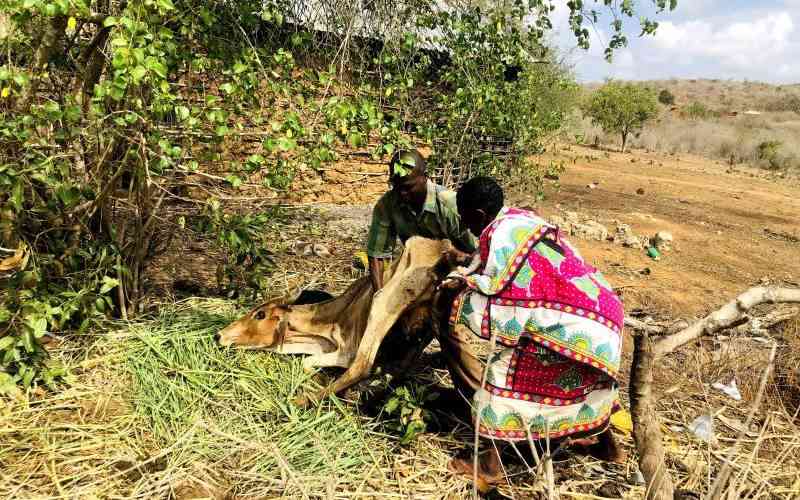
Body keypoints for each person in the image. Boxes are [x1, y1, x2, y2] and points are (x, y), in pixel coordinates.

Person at [438, 176, 625, 488]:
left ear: (481, 215)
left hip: (576, 323)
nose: (462, 220)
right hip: (604, 312)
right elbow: (500, 265)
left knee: (503, 372)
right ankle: (606, 446)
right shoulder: (517, 219)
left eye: (464, 213)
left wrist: (454, 298)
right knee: (592, 380)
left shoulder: (497, 232)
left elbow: (502, 301)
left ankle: (491, 464)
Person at [366, 149, 476, 292]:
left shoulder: (450, 205)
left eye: (408, 187)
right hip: (416, 272)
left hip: (458, 271)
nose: (402, 193)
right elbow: (377, 256)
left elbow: (476, 252)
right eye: (397, 187)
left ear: (425, 177)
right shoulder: (387, 205)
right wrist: (379, 297)